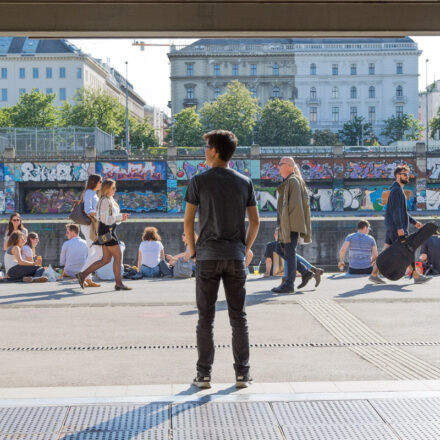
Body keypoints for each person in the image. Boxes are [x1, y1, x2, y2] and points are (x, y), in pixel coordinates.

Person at [184, 129, 260, 389]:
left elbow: (187, 222)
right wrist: (245, 248)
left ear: (215, 150)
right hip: (235, 257)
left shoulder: (198, 181)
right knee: (238, 317)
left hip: (206, 257)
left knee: (205, 318)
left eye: (206, 146)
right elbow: (256, 222)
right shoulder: (244, 182)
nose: (204, 151)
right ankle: (243, 374)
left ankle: (204, 375)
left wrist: (194, 252)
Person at [370, 165, 430, 285]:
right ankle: (416, 276)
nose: (407, 177)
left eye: (407, 174)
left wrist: (415, 222)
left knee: (386, 252)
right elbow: (396, 211)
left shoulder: (397, 190)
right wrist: (400, 229)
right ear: (398, 176)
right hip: (396, 228)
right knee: (408, 250)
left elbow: (403, 212)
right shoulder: (397, 191)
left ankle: (374, 274)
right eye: (405, 174)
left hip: (391, 228)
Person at [76, 178, 131, 291]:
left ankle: (83, 275)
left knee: (105, 259)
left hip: (107, 230)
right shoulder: (105, 201)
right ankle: (119, 283)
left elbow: (108, 218)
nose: (115, 190)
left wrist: (121, 218)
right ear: (107, 189)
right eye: (113, 188)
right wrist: (120, 217)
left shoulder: (108, 200)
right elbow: (105, 219)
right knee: (117, 256)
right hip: (107, 231)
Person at [271, 157, 312, 294]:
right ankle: (305, 272)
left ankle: (289, 284)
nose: (278, 167)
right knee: (280, 249)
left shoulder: (292, 181)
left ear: (289, 166)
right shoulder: (290, 181)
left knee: (288, 251)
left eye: (280, 164)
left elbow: (293, 207)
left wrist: (285, 228)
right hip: (287, 225)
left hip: (290, 225)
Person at [79, 174, 103, 288]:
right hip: (89, 226)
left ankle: (87, 278)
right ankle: (82, 274)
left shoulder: (92, 193)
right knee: (98, 252)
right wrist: (101, 214)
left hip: (91, 225)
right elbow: (88, 210)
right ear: (95, 182)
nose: (101, 184)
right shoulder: (89, 192)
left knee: (92, 252)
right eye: (100, 181)